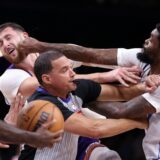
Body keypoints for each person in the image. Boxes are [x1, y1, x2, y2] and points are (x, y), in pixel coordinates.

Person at [17, 23, 160, 160]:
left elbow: (122, 94)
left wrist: (144, 86)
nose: (73, 73)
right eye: (65, 70)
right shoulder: (45, 103)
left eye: (71, 68)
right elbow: (95, 129)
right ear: (47, 79)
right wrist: (137, 122)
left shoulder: (77, 87)